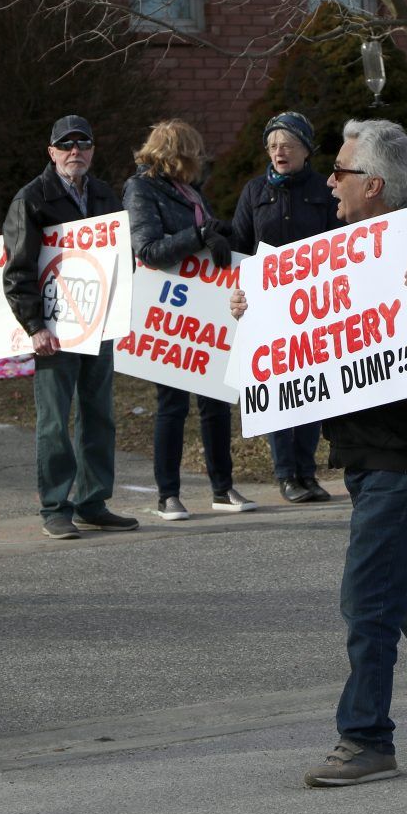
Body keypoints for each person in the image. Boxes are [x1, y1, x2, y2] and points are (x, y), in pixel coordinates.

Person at [231, 119, 407, 788]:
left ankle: (365, 737)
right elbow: (317, 325)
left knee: (368, 600)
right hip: (365, 448)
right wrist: (255, 308)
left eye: (341, 171)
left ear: (375, 185)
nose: (329, 179)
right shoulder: (346, 246)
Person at [2, 114, 138, 540]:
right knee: (54, 420)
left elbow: (120, 257)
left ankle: (93, 502)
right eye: (66, 145)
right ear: (51, 152)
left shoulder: (104, 195)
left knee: (100, 415)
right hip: (54, 330)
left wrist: (119, 307)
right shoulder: (32, 199)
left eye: (83, 144)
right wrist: (34, 326)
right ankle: (55, 507)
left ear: (93, 151)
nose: (74, 152)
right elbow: (17, 270)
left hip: (97, 324)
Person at [122, 119, 256, 521]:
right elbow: (147, 249)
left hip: (205, 307)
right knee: (172, 404)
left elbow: (203, 235)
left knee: (216, 400)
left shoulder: (189, 190)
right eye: (193, 153)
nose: (200, 161)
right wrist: (199, 236)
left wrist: (219, 234)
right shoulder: (141, 188)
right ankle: (168, 494)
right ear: (175, 154)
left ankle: (222, 486)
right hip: (169, 311)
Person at [231, 111, 341, 505]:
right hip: (268, 311)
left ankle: (307, 472)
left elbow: (340, 241)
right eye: (274, 146)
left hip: (314, 308)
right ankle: (285, 474)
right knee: (279, 389)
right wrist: (238, 292)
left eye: (288, 145)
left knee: (312, 390)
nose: (280, 152)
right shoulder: (254, 192)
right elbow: (240, 248)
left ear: (306, 151)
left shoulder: (324, 190)